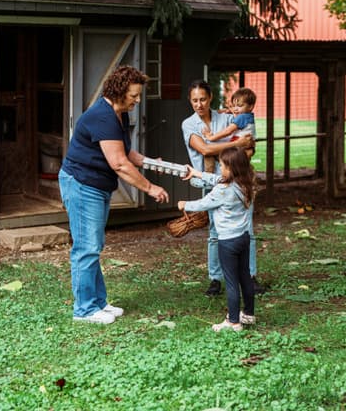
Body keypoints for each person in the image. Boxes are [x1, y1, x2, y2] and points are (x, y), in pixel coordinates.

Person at [59, 65, 170, 324]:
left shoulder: (119, 115)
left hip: (96, 185)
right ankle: (84, 310)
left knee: (93, 245)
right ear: (119, 92)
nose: (138, 100)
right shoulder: (103, 117)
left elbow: (127, 153)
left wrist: (152, 163)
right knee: (86, 247)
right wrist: (150, 188)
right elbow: (119, 163)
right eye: (134, 95)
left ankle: (97, 303)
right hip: (81, 184)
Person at [181, 80, 264, 296]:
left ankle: (250, 276)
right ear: (190, 101)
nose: (199, 104)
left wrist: (245, 147)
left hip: (238, 180)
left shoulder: (227, 117)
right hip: (212, 181)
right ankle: (215, 279)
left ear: (210, 99)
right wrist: (236, 145)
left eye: (203, 99)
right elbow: (205, 150)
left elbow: (251, 143)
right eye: (194, 100)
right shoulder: (189, 124)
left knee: (247, 229)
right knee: (215, 232)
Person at [178, 147, 257, 332]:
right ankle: (249, 314)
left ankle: (233, 321)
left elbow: (204, 203)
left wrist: (185, 204)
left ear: (230, 168)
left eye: (221, 165)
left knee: (230, 281)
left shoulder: (223, 191)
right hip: (243, 237)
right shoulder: (246, 183)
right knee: (245, 276)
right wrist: (196, 173)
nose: (219, 169)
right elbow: (217, 180)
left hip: (228, 241)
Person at [202, 87, 257, 157]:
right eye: (234, 106)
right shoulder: (249, 116)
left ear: (250, 107)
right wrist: (229, 110)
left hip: (239, 147)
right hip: (247, 147)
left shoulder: (242, 117)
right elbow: (236, 114)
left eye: (240, 106)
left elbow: (228, 131)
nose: (236, 109)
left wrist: (211, 137)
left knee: (216, 153)